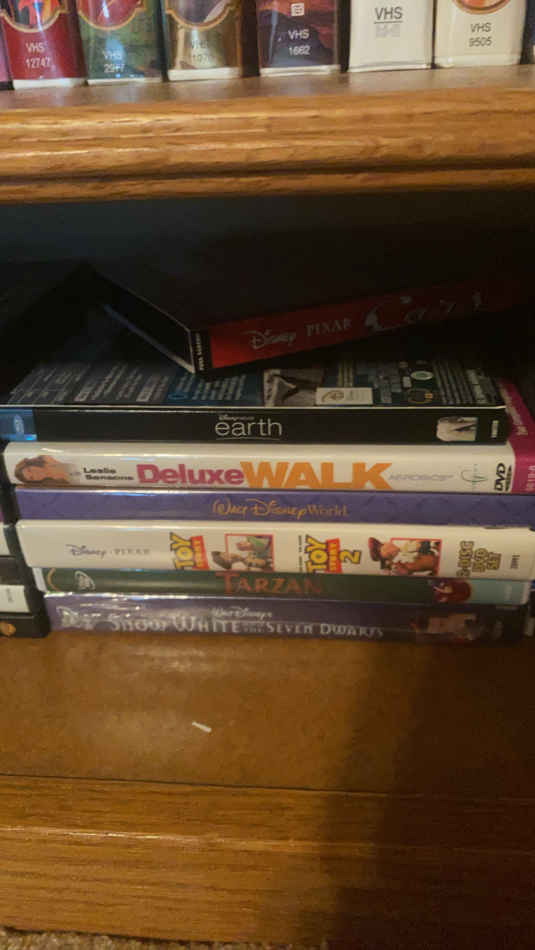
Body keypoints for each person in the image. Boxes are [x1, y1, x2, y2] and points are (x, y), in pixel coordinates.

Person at [368, 536, 440, 575]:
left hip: (433, 560)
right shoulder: (397, 563)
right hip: (432, 564)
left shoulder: (405, 548)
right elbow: (405, 572)